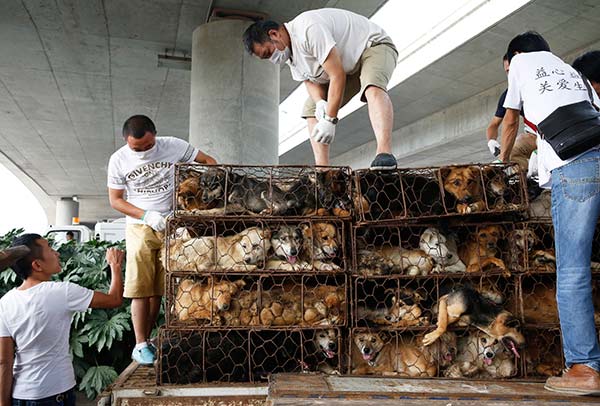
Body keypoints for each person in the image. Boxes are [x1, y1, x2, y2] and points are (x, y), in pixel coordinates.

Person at [499, 31, 600, 396]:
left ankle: (584, 368)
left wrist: (499, 162)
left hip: (575, 167)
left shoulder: (522, 63)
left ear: (514, 55)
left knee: (572, 271)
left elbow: (509, 122)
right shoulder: (571, 72)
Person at [107, 115, 216, 365]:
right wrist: (146, 215)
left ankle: (156, 336)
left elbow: (208, 161)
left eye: (148, 146)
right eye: (138, 148)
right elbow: (116, 200)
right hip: (140, 225)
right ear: (126, 141)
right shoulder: (119, 160)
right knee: (140, 287)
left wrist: (204, 184)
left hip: (174, 223)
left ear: (155, 135)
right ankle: (140, 344)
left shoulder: (173, 145)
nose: (144, 151)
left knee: (162, 286)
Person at [242, 9, 398, 170]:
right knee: (310, 109)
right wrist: (320, 102)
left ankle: (384, 153)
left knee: (372, 87)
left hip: (373, 47)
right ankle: (323, 171)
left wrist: (330, 119)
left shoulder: (308, 29)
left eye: (268, 53)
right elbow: (309, 80)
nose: (272, 59)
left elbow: (337, 75)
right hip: (348, 68)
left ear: (274, 34)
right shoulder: (289, 53)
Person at [0, 235, 124, 406]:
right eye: (50, 249)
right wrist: (115, 265)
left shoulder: (5, 302)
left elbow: (4, 361)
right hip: (54, 393)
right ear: (37, 265)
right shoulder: (62, 292)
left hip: (21, 394)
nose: (57, 253)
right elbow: (114, 299)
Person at [486, 53, 537, 173]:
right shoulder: (509, 94)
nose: (512, 75)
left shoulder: (540, 84)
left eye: (514, 70)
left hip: (556, 134)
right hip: (533, 136)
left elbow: (511, 123)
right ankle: (525, 181)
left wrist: (542, 151)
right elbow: (494, 124)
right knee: (511, 152)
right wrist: (491, 141)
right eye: (508, 71)